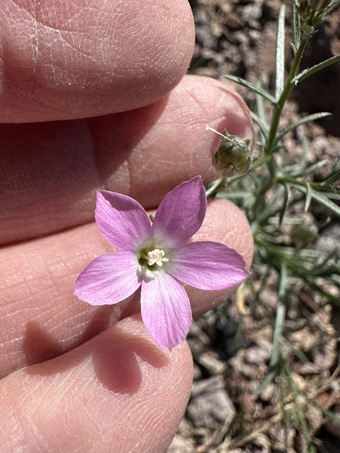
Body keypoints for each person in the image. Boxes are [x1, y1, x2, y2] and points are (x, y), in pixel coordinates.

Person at [0, 0, 254, 450]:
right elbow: (111, 240)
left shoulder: (176, 227)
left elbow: (219, 264)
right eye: (150, 254)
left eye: (153, 255)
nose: (154, 256)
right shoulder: (132, 226)